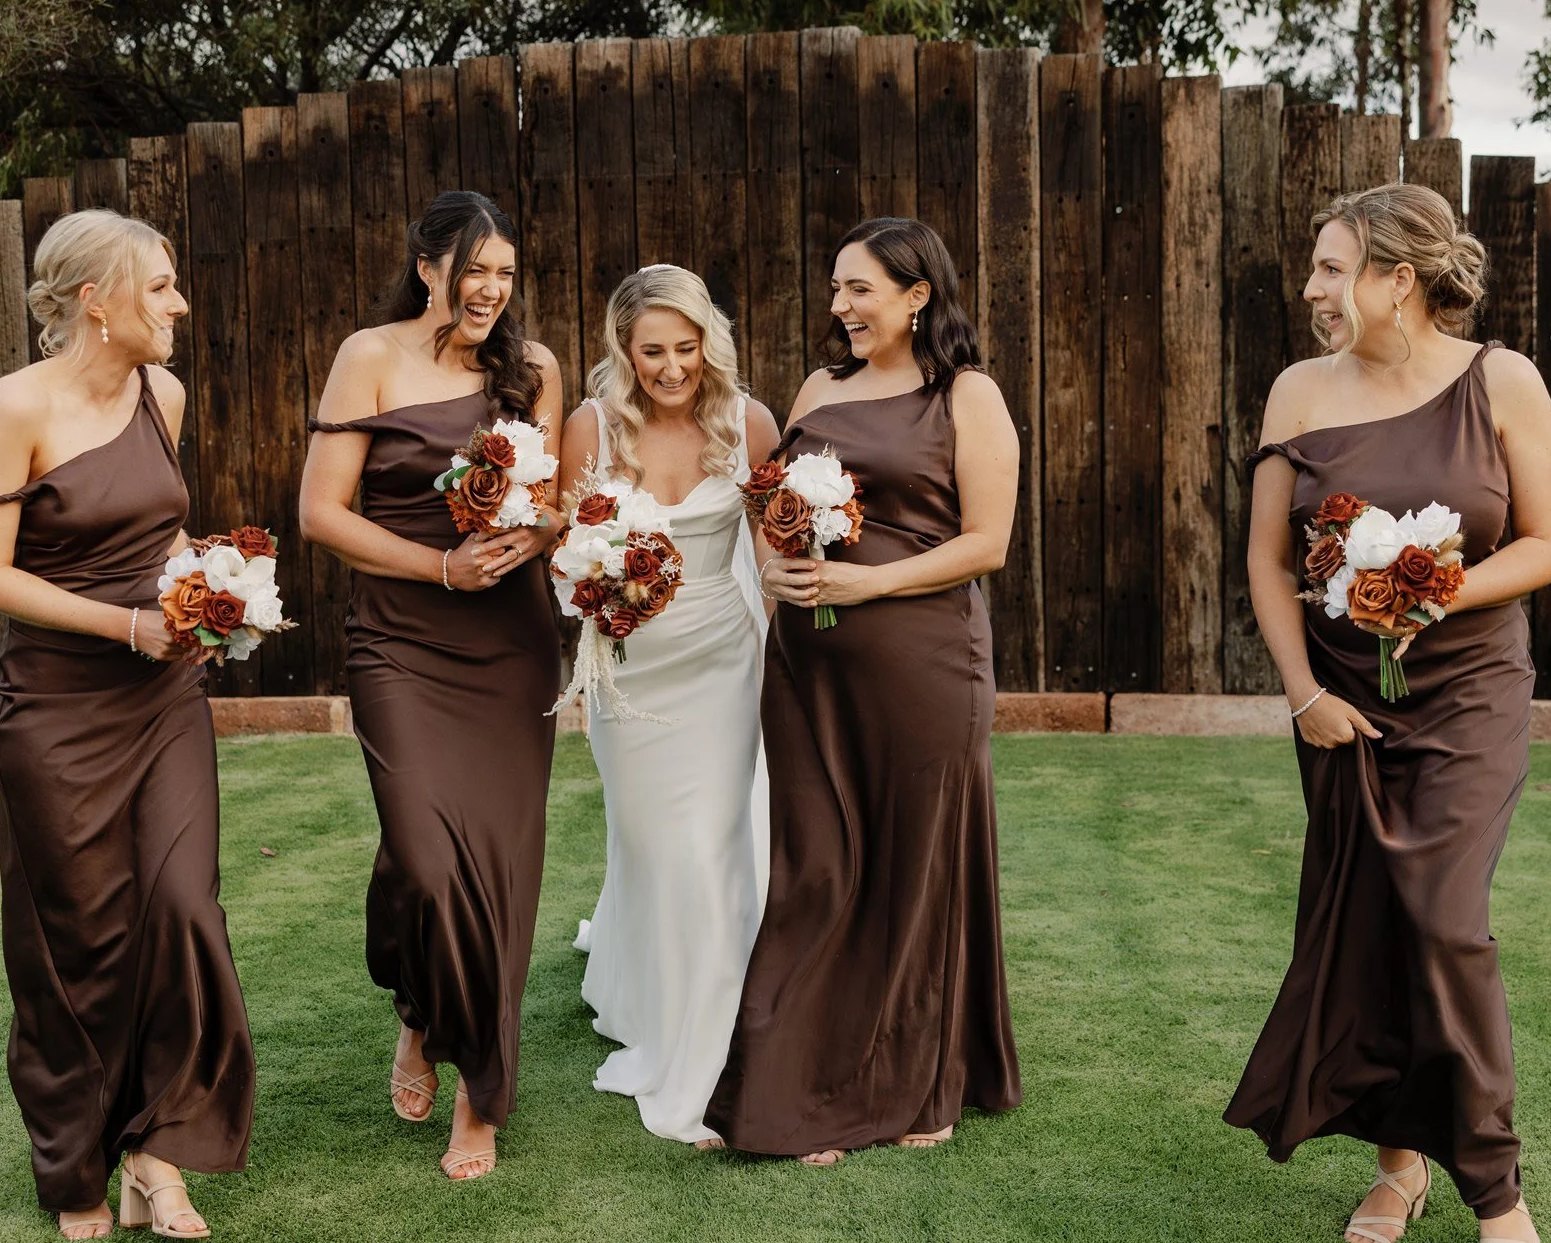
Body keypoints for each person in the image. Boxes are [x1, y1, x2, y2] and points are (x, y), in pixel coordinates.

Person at [1226, 181, 1551, 1243]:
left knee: (1443, 919)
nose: (1313, 288)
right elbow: (1267, 565)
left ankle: (1495, 1185)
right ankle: (1395, 1163)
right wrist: (1298, 694)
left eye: (1330, 268)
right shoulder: (1295, 392)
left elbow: (1543, 544)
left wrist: (1429, 591)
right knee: (1369, 918)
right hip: (1339, 702)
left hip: (1466, 690)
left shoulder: (1499, 381)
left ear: (1394, 278)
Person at [0, 209, 254, 1242]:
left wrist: (205, 587)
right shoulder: (16, 406)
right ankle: (79, 1163)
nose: (177, 303)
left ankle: (158, 1157)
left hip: (162, 697)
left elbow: (158, 524)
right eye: (160, 286)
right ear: (97, 301)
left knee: (182, 908)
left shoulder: (161, 393)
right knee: (76, 938)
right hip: (58, 708)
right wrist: (125, 625)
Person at [706, 216, 1023, 1164]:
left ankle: (916, 1082)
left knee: (913, 869)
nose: (839, 307)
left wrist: (868, 584)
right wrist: (776, 569)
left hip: (924, 664)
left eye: (860, 290)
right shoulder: (819, 388)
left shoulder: (967, 395)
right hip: (808, 665)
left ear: (917, 296)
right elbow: (771, 500)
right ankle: (790, 1082)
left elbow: (987, 544)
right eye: (836, 288)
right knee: (816, 868)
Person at [299, 190, 562, 1180]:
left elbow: (547, 509)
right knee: (422, 856)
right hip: (401, 639)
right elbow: (321, 513)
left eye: (504, 272)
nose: (491, 288)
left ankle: (478, 1092)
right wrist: (438, 566)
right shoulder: (368, 356)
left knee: (493, 867)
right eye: (474, 269)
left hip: (508, 643)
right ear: (427, 266)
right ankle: (417, 1002)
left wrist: (540, 528)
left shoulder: (532, 371)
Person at [561, 264, 774, 1149]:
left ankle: (710, 1052)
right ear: (624, 348)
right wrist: (598, 599)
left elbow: (774, 551)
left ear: (708, 343)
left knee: (710, 849)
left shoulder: (748, 422)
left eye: (687, 348)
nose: (673, 367)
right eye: (653, 351)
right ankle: (656, 996)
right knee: (654, 846)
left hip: (726, 661)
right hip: (632, 669)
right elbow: (565, 555)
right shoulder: (593, 426)